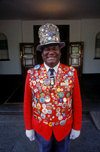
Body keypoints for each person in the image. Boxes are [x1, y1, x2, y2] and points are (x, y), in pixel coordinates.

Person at [24, 23, 82, 152]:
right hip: (41, 128)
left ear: (60, 52)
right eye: (47, 49)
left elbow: (77, 102)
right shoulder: (32, 73)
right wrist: (28, 127)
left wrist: (77, 127)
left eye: (55, 48)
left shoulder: (71, 72)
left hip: (64, 128)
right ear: (42, 53)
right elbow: (27, 102)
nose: (51, 52)